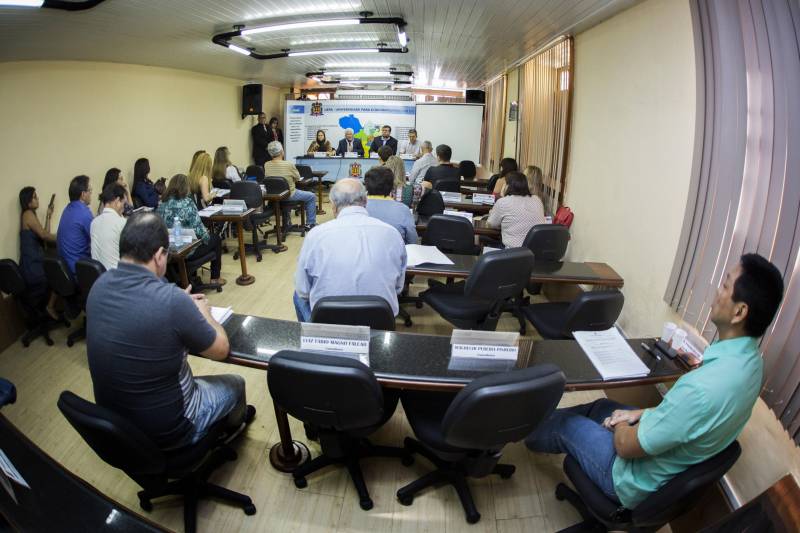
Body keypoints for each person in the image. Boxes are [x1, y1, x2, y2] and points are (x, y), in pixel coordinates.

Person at [526, 253, 784, 510]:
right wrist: (639, 413)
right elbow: (686, 419)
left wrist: (620, 426)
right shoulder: (751, 364)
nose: (718, 290)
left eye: (726, 285)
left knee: (568, 424)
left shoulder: (703, 388)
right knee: (599, 408)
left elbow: (626, 446)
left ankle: (524, 433)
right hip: (670, 459)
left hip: (629, 477)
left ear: (739, 312)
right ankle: (540, 425)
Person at [86, 212, 252, 450]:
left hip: (119, 426)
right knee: (236, 383)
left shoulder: (98, 286)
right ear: (159, 256)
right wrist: (202, 312)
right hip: (170, 430)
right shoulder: (171, 301)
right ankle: (228, 434)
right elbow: (221, 350)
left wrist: (179, 304)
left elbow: (138, 315)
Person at [294, 178, 406, 322]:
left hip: (329, 322)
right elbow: (398, 287)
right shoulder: (392, 233)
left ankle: (311, 341)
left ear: (333, 206)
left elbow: (303, 290)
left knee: (297, 296)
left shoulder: (316, 235)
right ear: (365, 202)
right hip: (379, 321)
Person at [156, 174, 226, 286]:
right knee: (216, 239)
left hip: (169, 251)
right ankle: (215, 278)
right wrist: (207, 237)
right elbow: (199, 230)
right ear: (185, 187)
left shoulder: (161, 204)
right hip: (187, 251)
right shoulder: (187, 203)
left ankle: (189, 276)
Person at [18, 186, 58, 318]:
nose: (37, 199)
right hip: (32, 267)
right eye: (35, 197)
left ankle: (48, 307)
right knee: (57, 275)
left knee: (56, 273)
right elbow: (44, 236)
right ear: (28, 201)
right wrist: (64, 237)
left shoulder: (30, 214)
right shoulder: (28, 214)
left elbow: (44, 234)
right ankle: (49, 307)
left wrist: (48, 216)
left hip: (34, 263)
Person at [484, 171, 546, 248]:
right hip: (534, 251)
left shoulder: (503, 202)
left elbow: (490, 225)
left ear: (507, 186)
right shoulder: (537, 200)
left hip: (512, 253)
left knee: (483, 238)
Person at [263, 141, 317, 230]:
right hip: (290, 195)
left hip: (274, 197)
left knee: (284, 193)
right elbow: (297, 178)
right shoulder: (289, 164)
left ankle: (287, 222)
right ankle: (311, 223)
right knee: (311, 196)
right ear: (281, 152)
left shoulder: (266, 164)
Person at [364, 166, 418, 244]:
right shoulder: (403, 210)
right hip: (395, 254)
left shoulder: (356, 208)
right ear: (392, 186)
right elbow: (412, 241)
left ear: (366, 185)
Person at [56, 175, 93, 276]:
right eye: (90, 191)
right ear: (83, 194)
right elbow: (97, 239)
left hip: (65, 271)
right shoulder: (84, 212)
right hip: (78, 271)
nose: (91, 194)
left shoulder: (67, 210)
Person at [90, 184, 127, 270]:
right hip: (117, 278)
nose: (124, 208)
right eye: (124, 203)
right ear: (117, 200)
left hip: (99, 278)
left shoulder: (94, 222)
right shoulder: (121, 223)